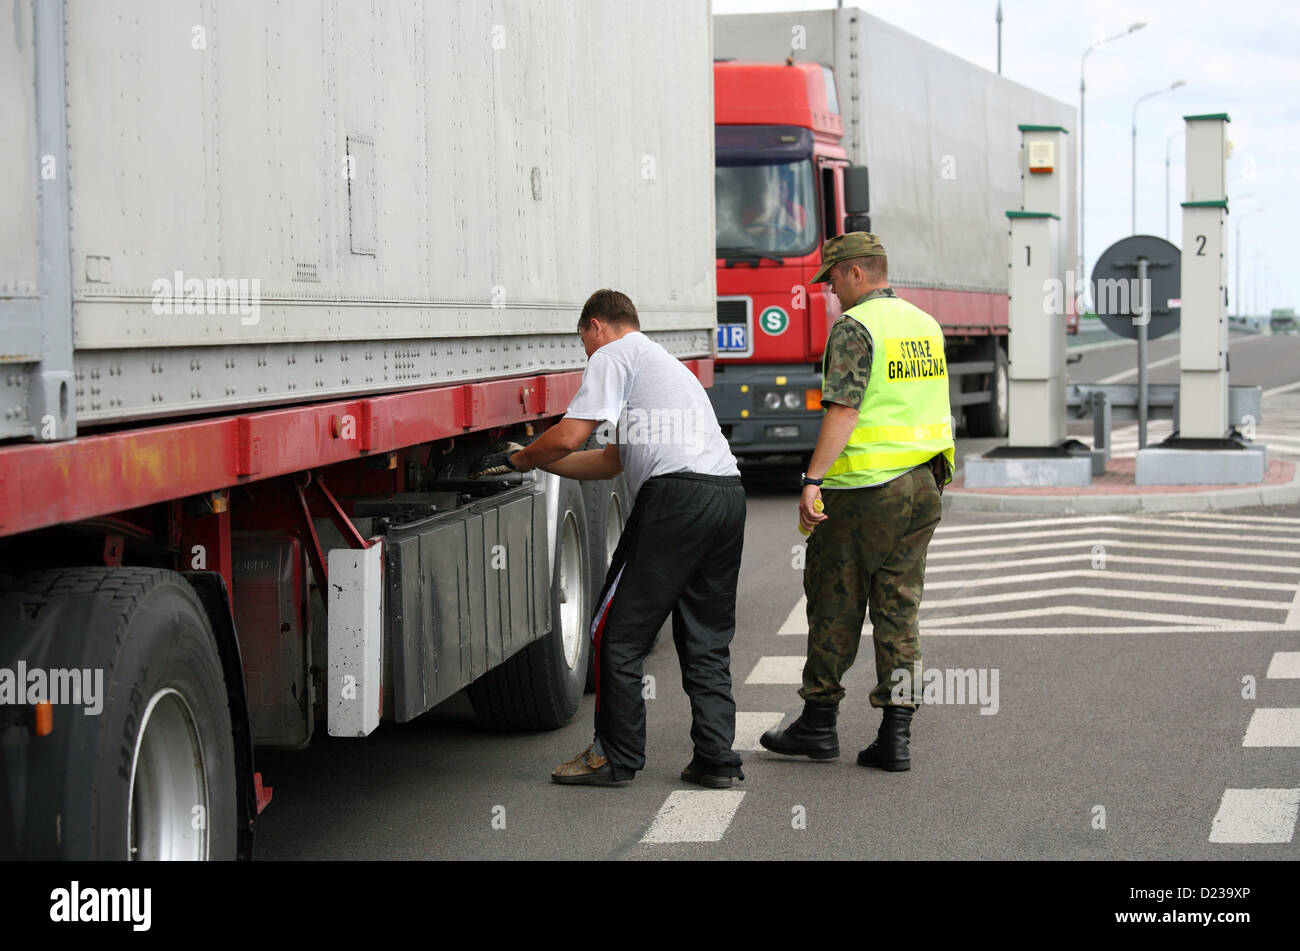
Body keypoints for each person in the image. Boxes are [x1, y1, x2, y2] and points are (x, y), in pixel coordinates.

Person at [470, 289, 747, 788]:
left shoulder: (614, 353)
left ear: (594, 326)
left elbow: (570, 435)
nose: (587, 356)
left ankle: (613, 757)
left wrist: (516, 459)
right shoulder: (665, 365)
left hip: (676, 500)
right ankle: (716, 758)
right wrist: (539, 461)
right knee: (706, 637)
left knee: (614, 633)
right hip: (726, 495)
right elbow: (607, 461)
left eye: (584, 344)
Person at [759, 232, 954, 771]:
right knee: (899, 609)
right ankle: (895, 738)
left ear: (857, 274)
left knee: (835, 601)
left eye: (834, 281)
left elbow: (844, 411)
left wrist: (812, 478)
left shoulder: (856, 327)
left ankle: (818, 725)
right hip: (922, 486)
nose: (830, 293)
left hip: (866, 488)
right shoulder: (925, 323)